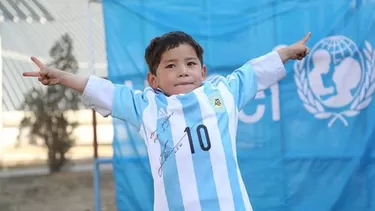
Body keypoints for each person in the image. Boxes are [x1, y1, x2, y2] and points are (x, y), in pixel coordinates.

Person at [23, 31, 311, 211]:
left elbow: (254, 71)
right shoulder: (146, 106)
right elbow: (103, 89)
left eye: (190, 64)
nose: (183, 71)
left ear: (203, 71)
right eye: (171, 65)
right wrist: (61, 77)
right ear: (153, 79)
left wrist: (286, 52)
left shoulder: (223, 91)